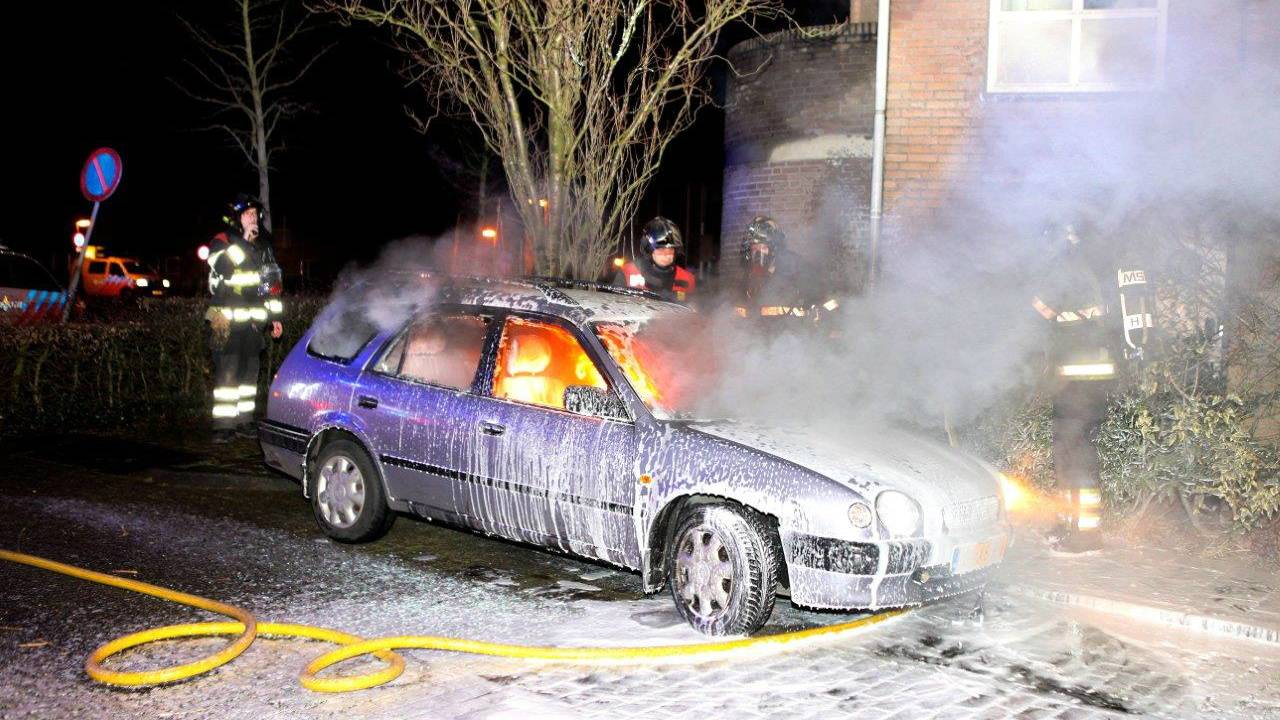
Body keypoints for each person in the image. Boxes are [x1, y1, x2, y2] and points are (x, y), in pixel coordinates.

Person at [1030, 221, 1150, 551]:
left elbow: (1041, 308)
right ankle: (1070, 523)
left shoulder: (1070, 264)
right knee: (1069, 452)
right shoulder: (1099, 262)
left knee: (1076, 455)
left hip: (1077, 379)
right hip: (1091, 377)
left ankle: (1085, 533)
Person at [206, 193, 284, 441]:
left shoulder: (264, 247)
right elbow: (224, 269)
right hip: (226, 320)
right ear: (235, 219)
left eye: (255, 214)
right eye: (248, 215)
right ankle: (224, 425)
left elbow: (271, 285)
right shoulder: (222, 241)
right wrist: (244, 243)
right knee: (228, 372)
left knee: (250, 374)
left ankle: (244, 421)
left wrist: (274, 317)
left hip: (253, 323)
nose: (254, 219)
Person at [737, 215, 836, 325]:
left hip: (797, 336)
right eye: (754, 248)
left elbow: (827, 305)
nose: (757, 253)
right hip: (759, 339)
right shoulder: (750, 277)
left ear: (775, 248)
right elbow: (743, 314)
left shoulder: (797, 269)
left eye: (763, 248)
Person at [613, 217, 696, 302]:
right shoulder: (628, 273)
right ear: (648, 249)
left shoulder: (687, 279)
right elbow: (615, 305)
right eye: (661, 250)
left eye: (670, 250)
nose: (666, 256)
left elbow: (694, 309)